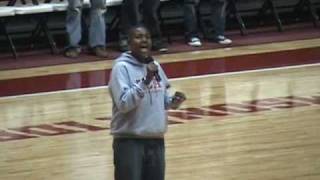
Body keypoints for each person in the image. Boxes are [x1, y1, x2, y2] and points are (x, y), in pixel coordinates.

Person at [109, 25, 186, 180]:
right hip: (130, 141)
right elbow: (124, 104)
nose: (144, 40)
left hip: (156, 139)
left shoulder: (155, 66)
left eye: (147, 37)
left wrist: (173, 102)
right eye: (138, 37)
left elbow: (162, 101)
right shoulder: (121, 68)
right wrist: (145, 81)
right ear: (129, 43)